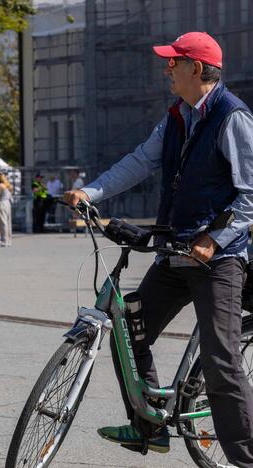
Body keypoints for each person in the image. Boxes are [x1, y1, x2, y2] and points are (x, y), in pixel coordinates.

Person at [64, 32, 253, 464]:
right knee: (128, 332)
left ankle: (246, 460)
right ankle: (147, 426)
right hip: (176, 251)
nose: (167, 68)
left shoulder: (233, 118)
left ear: (197, 69)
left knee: (221, 362)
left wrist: (213, 239)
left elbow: (250, 194)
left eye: (174, 62)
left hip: (217, 260)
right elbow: (139, 161)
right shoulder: (176, 117)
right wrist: (90, 192)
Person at [0, 173, 13, 247]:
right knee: (8, 222)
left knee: (2, 222)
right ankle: (9, 240)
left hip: (2, 203)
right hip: (8, 203)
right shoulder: (9, 185)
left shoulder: (0, 185)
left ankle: (3, 240)